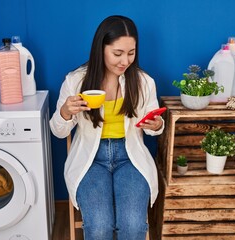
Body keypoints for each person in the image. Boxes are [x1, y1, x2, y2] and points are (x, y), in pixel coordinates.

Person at [50, 15, 164, 240]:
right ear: (100, 48)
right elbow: (58, 131)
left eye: (131, 53)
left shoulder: (143, 82)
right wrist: (65, 112)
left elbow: (153, 128)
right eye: (118, 53)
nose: (125, 61)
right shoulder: (76, 81)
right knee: (100, 226)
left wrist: (157, 124)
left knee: (132, 226)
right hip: (91, 159)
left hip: (130, 158)